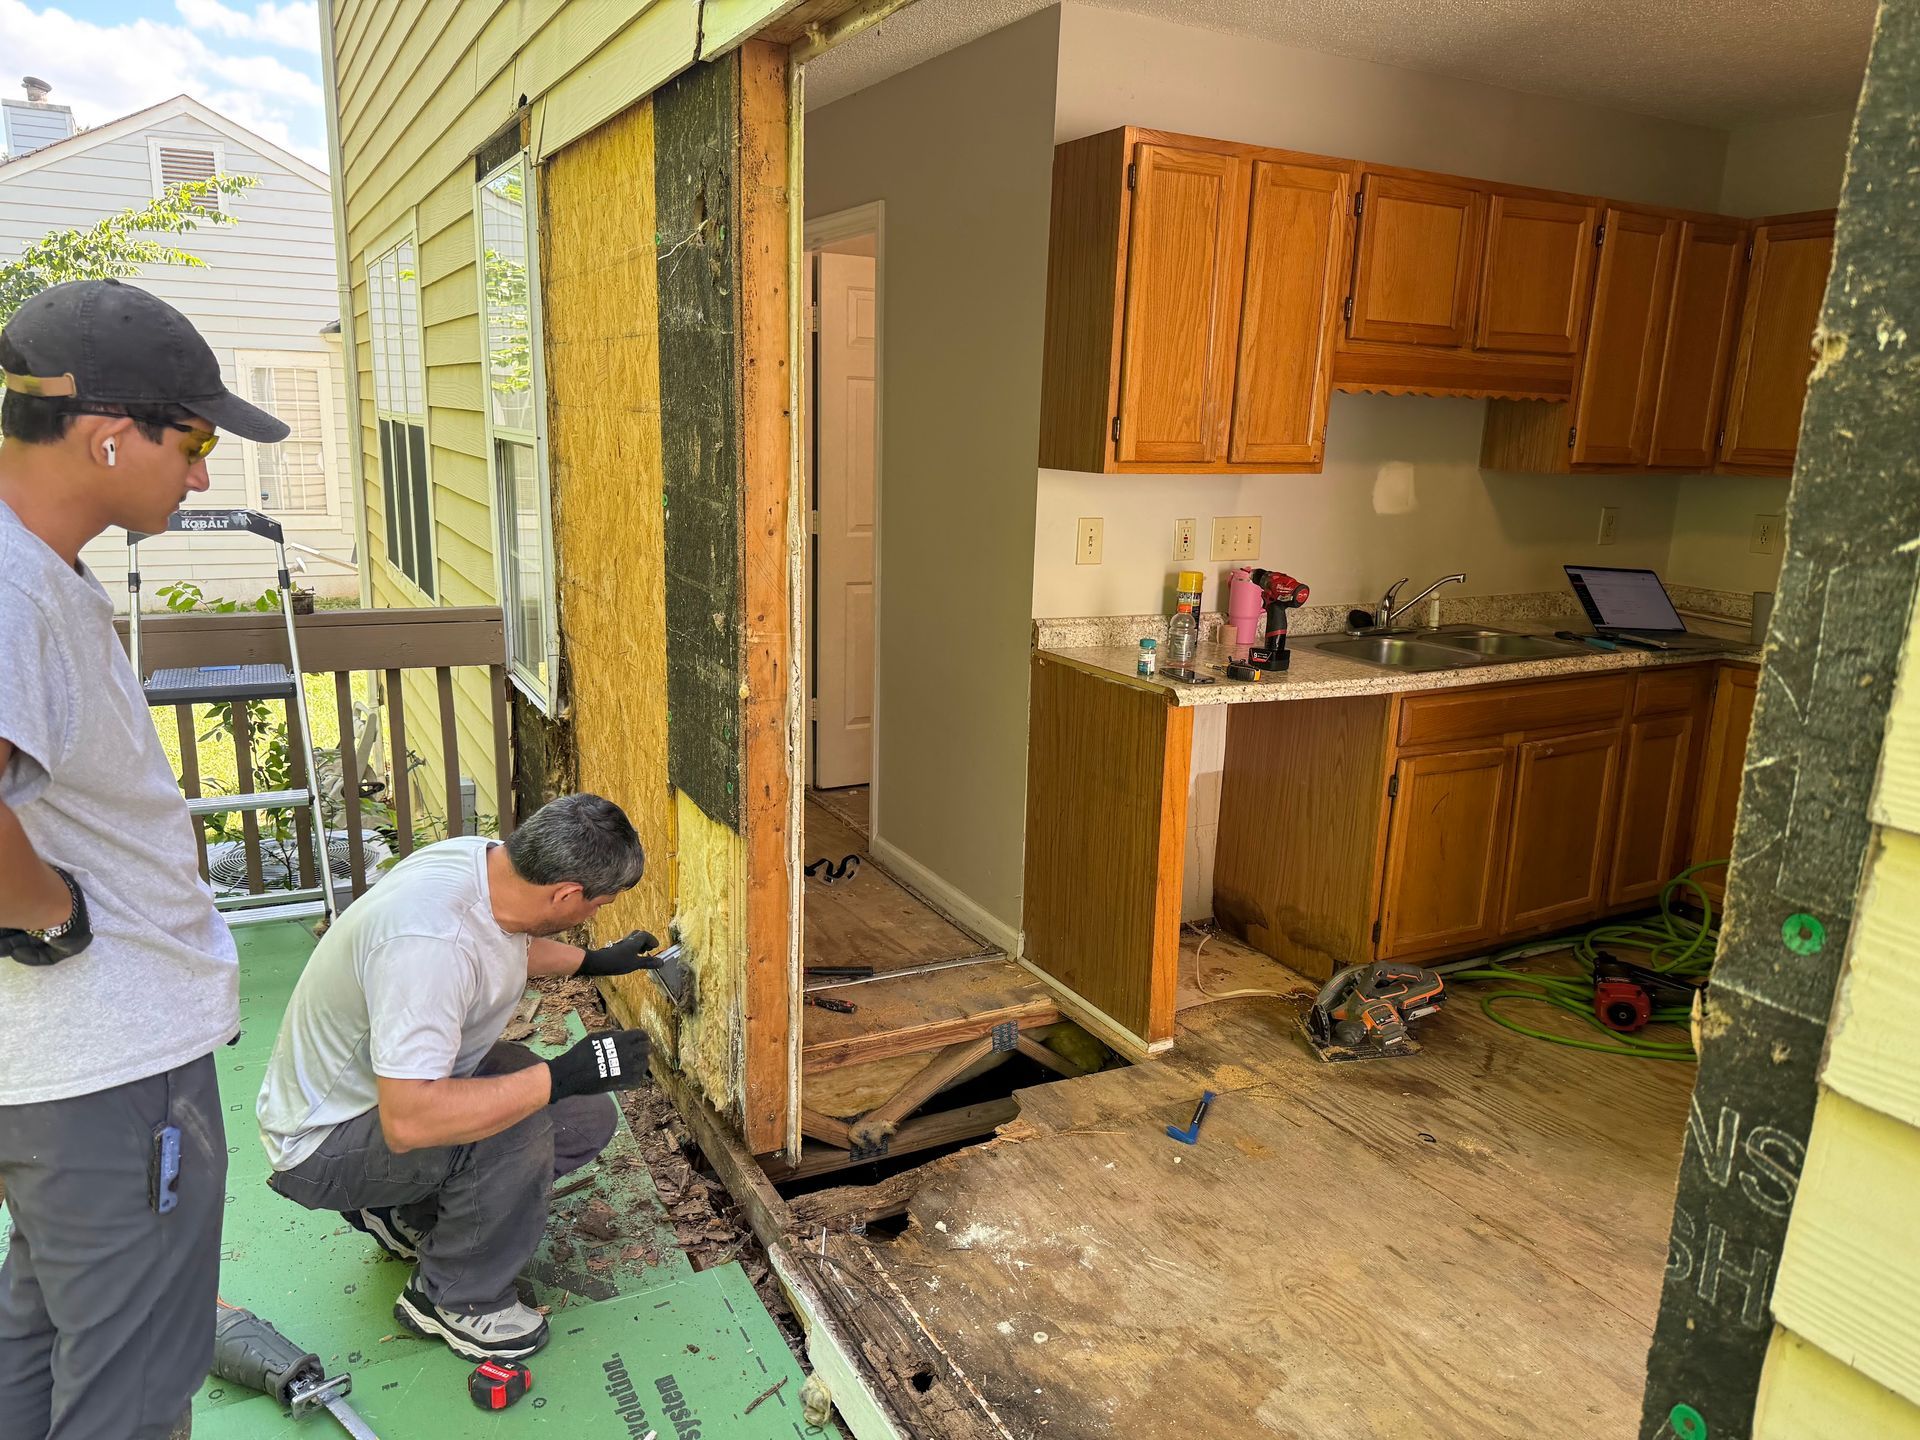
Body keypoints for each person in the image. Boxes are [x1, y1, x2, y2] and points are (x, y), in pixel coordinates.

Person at [0, 280, 293, 1440]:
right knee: (130, 1392)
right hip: (108, 1074)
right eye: (196, 437)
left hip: (60, 1080)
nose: (205, 473)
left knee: (41, 1334)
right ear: (105, 431)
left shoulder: (35, 571)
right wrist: (47, 916)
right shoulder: (15, 593)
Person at [255, 793, 666, 1363]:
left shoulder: (485, 866)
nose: (595, 914)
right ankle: (455, 1299)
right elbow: (409, 1122)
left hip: (372, 1102)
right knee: (518, 1124)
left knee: (580, 1114)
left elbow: (507, 942)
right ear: (568, 894)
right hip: (324, 1144)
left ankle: (404, 1213)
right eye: (599, 904)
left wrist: (593, 962)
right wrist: (563, 1074)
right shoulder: (429, 947)